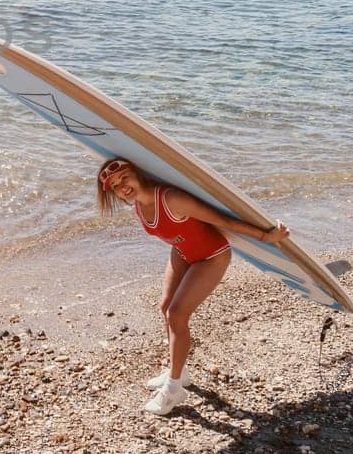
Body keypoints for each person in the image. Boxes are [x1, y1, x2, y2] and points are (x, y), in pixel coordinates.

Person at [95, 157, 290, 415]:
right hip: (183, 253)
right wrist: (183, 252)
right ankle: (179, 372)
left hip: (212, 256)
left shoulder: (171, 199)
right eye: (115, 185)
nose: (123, 186)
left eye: (125, 177)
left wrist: (266, 236)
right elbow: (174, 232)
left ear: (137, 173)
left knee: (177, 314)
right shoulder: (140, 206)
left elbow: (222, 220)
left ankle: (174, 390)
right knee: (165, 306)